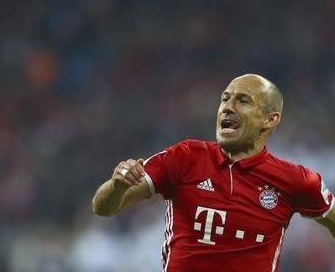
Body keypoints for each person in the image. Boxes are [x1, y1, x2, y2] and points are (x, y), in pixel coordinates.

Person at [92, 74, 335, 272]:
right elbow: (104, 208)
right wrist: (118, 185)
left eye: (243, 101)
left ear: (270, 120)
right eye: (224, 99)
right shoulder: (185, 157)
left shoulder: (295, 181)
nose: (227, 107)